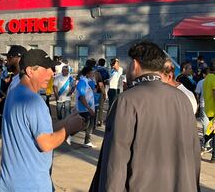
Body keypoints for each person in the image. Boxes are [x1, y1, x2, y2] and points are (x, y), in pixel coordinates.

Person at [90, 41, 200, 192]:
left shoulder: (127, 100)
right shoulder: (183, 99)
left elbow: (115, 162)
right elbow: (194, 155)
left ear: (135, 65)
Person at [0, 49, 84, 192]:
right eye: (47, 68)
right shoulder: (35, 101)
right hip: (32, 184)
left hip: (10, 183)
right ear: (30, 71)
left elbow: (37, 130)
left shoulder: (14, 92)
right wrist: (69, 128)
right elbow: (46, 143)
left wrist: (66, 121)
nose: (52, 73)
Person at [75, 66, 96, 148]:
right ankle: (69, 133)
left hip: (89, 107)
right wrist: (89, 108)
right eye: (91, 72)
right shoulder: (82, 82)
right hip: (83, 108)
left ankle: (87, 141)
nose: (93, 74)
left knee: (90, 124)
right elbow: (82, 97)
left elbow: (91, 92)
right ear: (87, 73)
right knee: (84, 125)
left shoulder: (87, 81)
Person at [195, 67, 212, 154]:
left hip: (203, 104)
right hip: (212, 105)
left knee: (205, 124)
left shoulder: (201, 82)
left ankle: (206, 144)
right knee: (211, 124)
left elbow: (197, 94)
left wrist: (197, 104)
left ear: (204, 74)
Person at [204, 62, 215, 163]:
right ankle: (214, 156)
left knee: (211, 130)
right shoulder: (214, 79)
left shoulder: (207, 78)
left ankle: (205, 140)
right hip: (213, 110)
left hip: (208, 109)